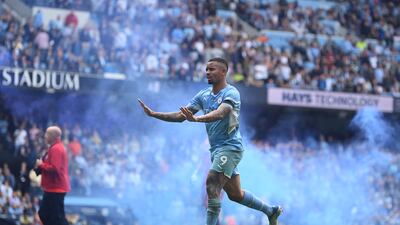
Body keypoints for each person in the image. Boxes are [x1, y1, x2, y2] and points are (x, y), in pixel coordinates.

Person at [138, 57, 282, 225]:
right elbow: (180, 116)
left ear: (223, 72)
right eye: (206, 69)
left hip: (230, 148)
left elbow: (221, 113)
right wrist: (154, 114)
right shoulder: (203, 95)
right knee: (236, 195)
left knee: (211, 184)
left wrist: (197, 119)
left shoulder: (231, 93)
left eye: (212, 69)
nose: (207, 72)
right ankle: (270, 211)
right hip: (216, 150)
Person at [34, 126, 70, 225]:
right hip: (53, 188)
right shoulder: (55, 148)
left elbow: (54, 168)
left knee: (56, 217)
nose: (45, 136)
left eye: (47, 134)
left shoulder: (56, 149)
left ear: (53, 136)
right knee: (45, 215)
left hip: (56, 188)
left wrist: (41, 164)